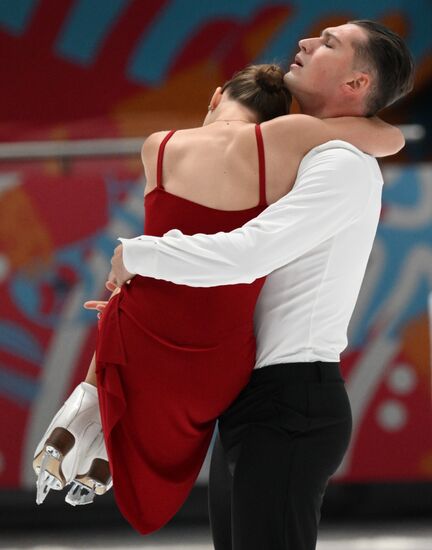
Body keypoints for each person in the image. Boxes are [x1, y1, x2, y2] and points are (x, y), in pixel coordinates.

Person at [34, 24, 403, 536]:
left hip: (292, 399)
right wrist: (146, 306)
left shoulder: (341, 164)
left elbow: (247, 255)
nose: (305, 43)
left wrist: (138, 256)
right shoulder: (299, 152)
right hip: (255, 395)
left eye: (328, 44)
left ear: (357, 83)